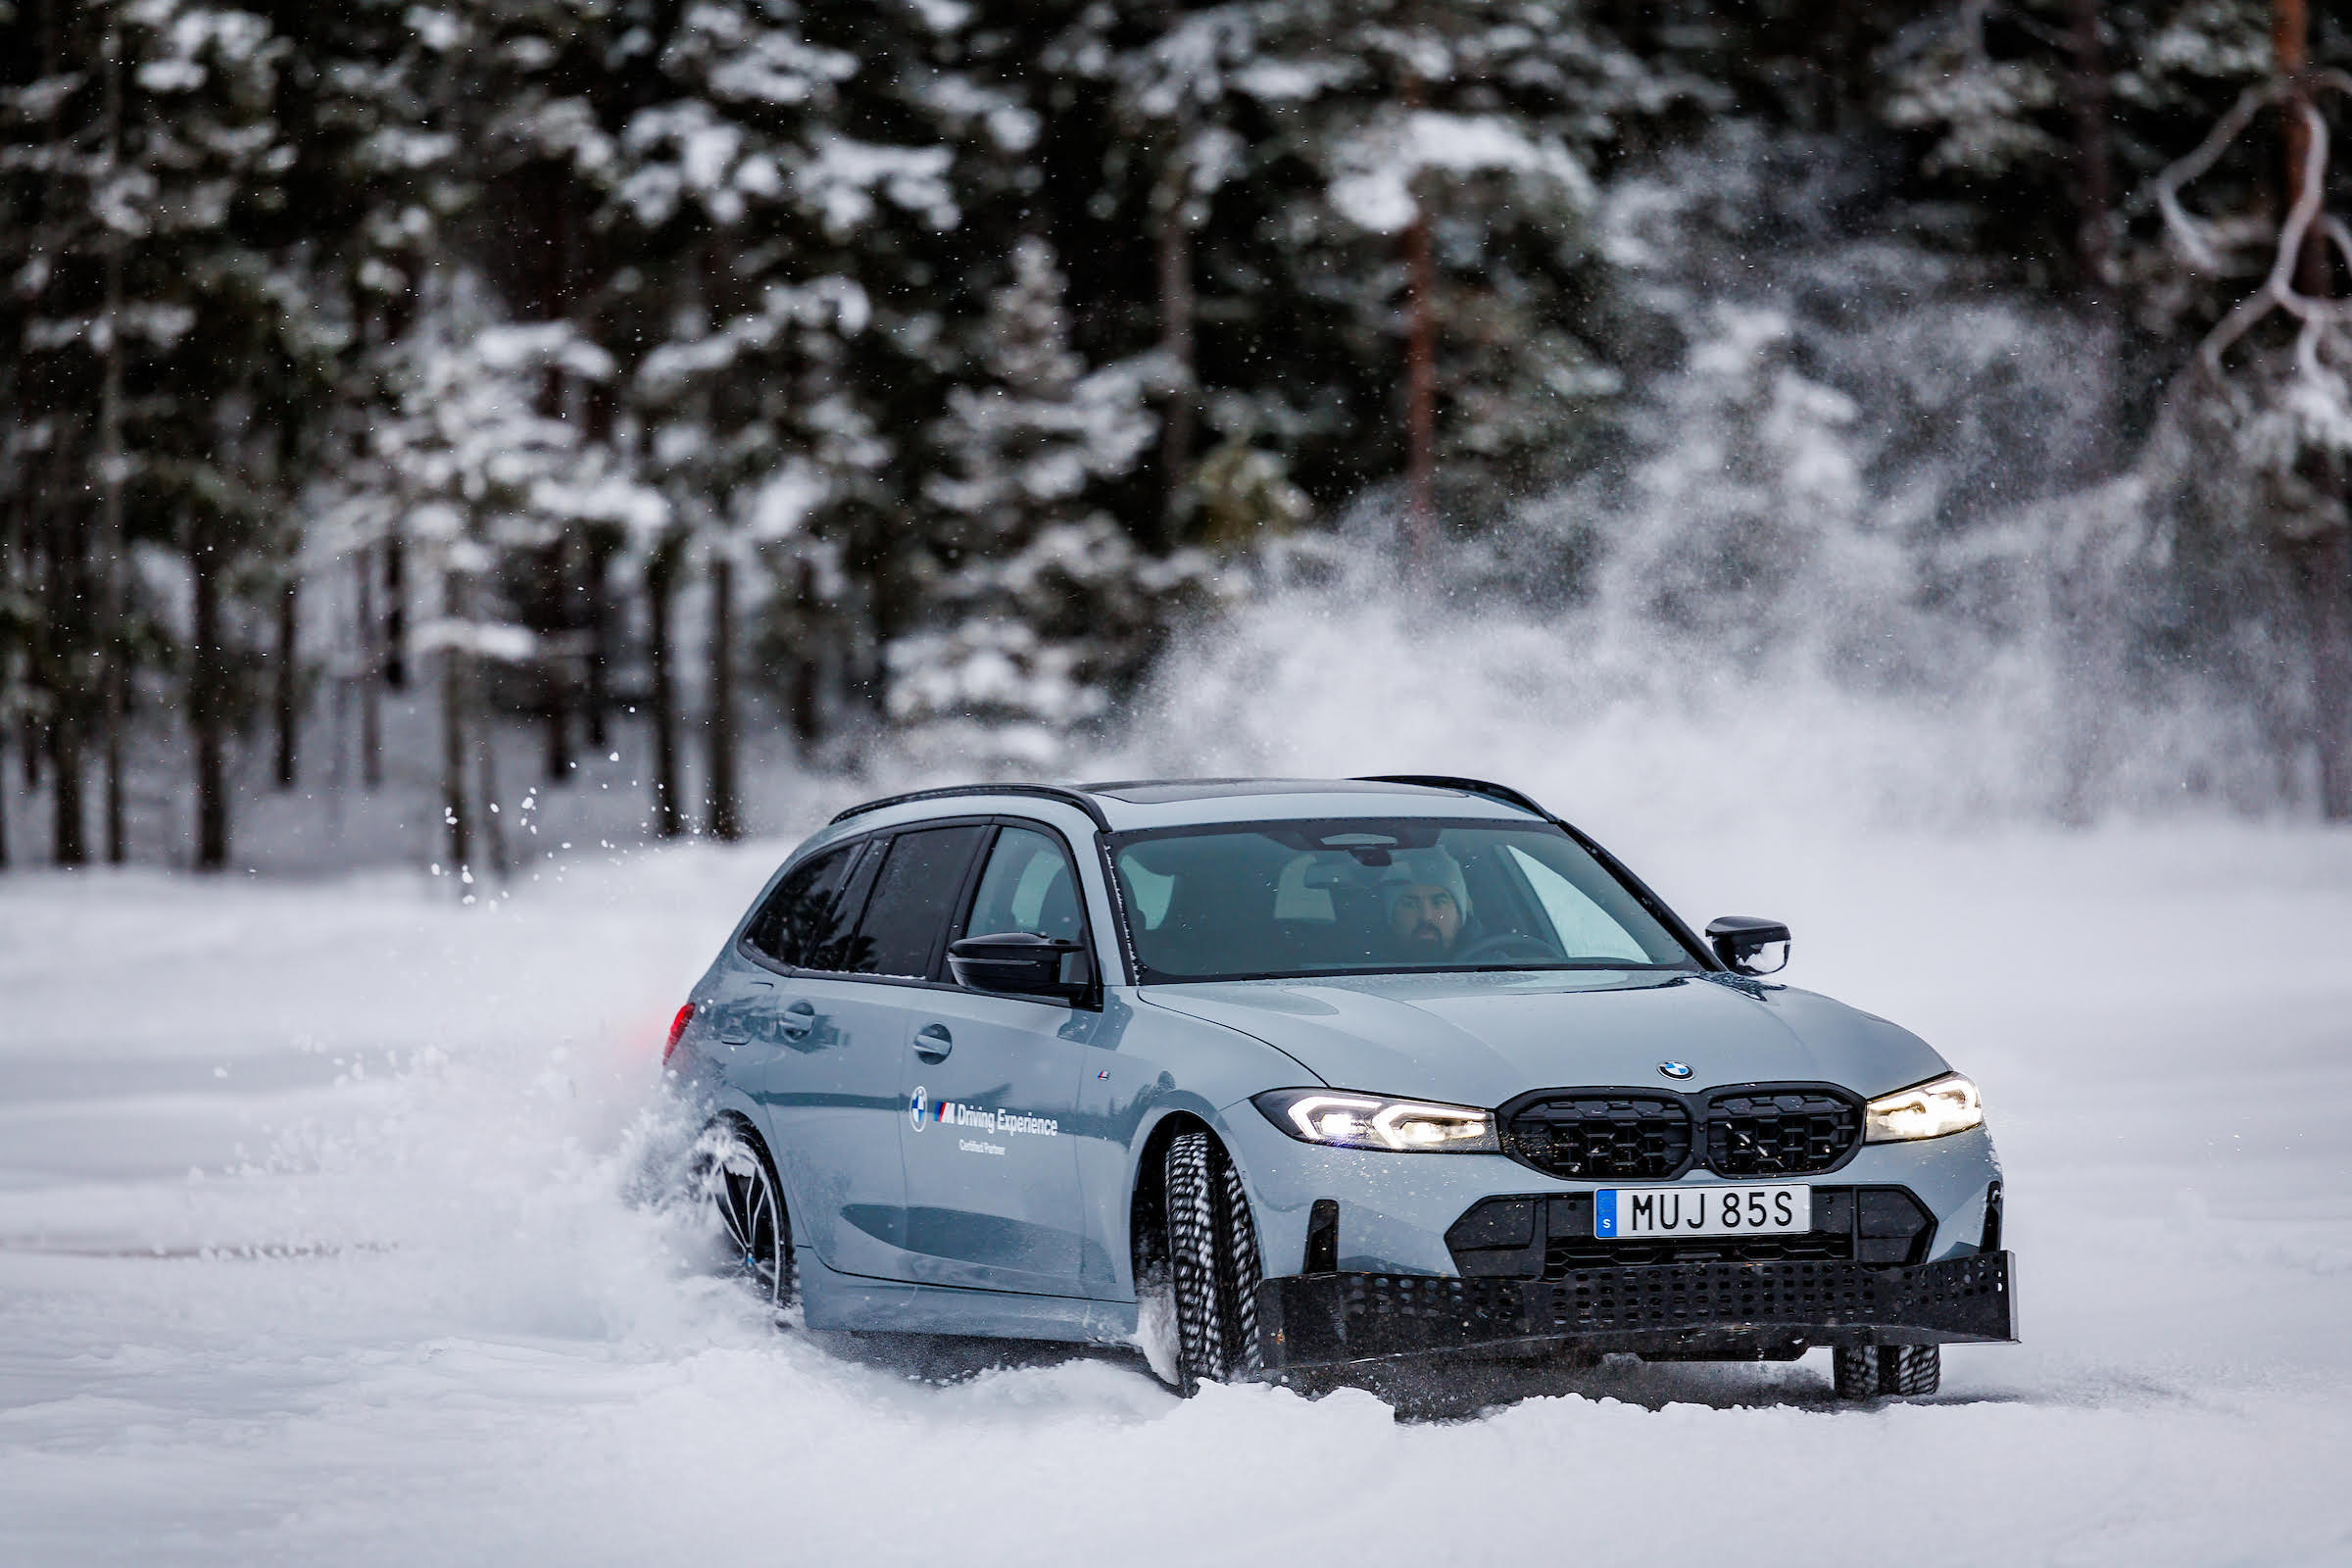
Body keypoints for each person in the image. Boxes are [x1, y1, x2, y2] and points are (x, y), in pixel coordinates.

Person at [1379, 848, 1471, 959]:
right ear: (1391, 918)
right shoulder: (1362, 968)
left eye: (1439, 903)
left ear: (1459, 916)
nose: (1426, 917)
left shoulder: (1491, 963)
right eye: (1410, 904)